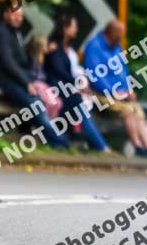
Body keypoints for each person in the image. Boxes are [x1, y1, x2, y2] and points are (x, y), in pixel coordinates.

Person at [0, 2, 68, 147]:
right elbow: (8, 63)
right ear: (6, 14)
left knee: (49, 102)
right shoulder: (0, 33)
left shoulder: (15, 32)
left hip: (23, 80)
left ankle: (53, 140)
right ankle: (62, 143)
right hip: (10, 82)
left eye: (21, 15)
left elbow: (23, 60)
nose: (19, 18)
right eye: (15, 14)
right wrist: (27, 82)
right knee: (37, 107)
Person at [83, 20, 147, 157]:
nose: (121, 38)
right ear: (110, 33)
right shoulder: (94, 46)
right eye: (119, 35)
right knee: (128, 110)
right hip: (101, 94)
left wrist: (129, 89)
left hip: (121, 94)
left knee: (138, 111)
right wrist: (114, 92)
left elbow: (124, 71)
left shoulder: (116, 47)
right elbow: (94, 76)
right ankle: (137, 146)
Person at [45, 14, 110, 152]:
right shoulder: (54, 47)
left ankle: (96, 144)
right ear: (65, 28)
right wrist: (77, 84)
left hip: (66, 88)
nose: (76, 29)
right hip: (56, 89)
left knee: (81, 105)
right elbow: (58, 71)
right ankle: (100, 146)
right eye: (74, 27)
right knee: (78, 105)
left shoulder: (65, 47)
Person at [25, 34, 63, 119]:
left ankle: (50, 124)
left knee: (58, 103)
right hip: (37, 85)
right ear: (40, 46)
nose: (48, 45)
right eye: (46, 44)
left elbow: (47, 51)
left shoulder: (42, 57)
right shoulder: (32, 59)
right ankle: (44, 123)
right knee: (50, 103)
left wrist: (50, 49)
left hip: (42, 85)